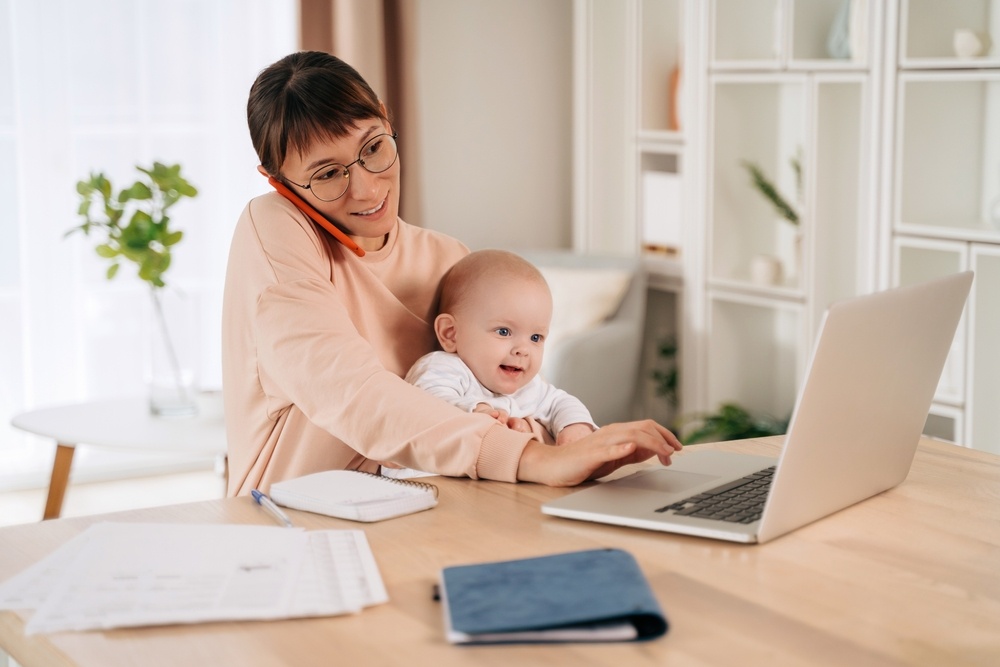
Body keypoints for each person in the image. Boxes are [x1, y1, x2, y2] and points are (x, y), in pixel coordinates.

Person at [221, 50, 682, 497]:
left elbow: (503, 403)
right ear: (278, 182)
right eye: (327, 174)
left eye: (374, 147)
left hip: (429, 512)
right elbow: (350, 392)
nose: (365, 188)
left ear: (386, 117)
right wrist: (527, 456)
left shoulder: (447, 259)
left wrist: (550, 435)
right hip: (294, 521)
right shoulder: (274, 227)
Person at [405, 249, 596, 446]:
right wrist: (478, 410)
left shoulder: (531, 388)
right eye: (504, 332)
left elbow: (561, 403)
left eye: (535, 337)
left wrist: (575, 427)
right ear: (451, 333)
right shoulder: (443, 367)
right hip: (425, 474)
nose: (523, 349)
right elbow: (429, 404)